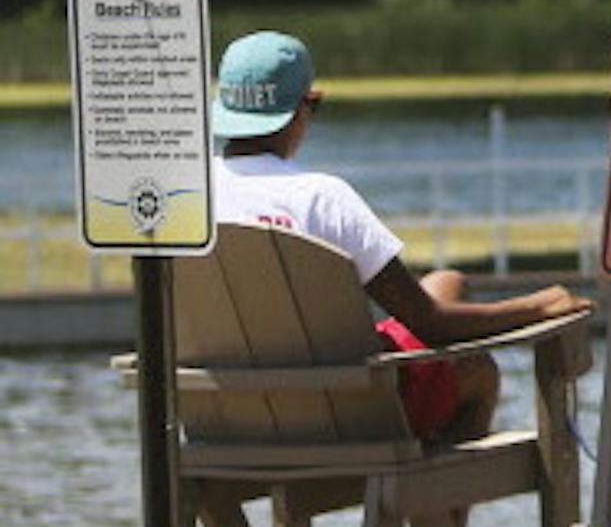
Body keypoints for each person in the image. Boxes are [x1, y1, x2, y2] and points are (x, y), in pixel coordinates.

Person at [210, 31, 590, 443]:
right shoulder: (321, 199)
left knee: (449, 282)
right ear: (300, 110)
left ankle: (426, 509)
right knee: (478, 371)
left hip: (227, 419)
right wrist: (539, 306)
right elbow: (431, 324)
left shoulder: (189, 199)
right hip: (342, 422)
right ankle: (429, 508)